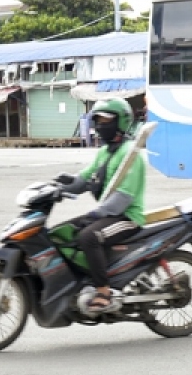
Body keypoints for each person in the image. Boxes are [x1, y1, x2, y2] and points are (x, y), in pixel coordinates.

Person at [57, 97, 147, 314]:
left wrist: (96, 214)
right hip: (109, 214)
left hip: (127, 218)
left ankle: (104, 290)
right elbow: (85, 180)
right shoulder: (105, 152)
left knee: (89, 236)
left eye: (106, 120)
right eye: (97, 121)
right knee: (63, 233)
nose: (100, 126)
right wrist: (59, 186)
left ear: (120, 122)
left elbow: (122, 199)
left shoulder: (130, 154)